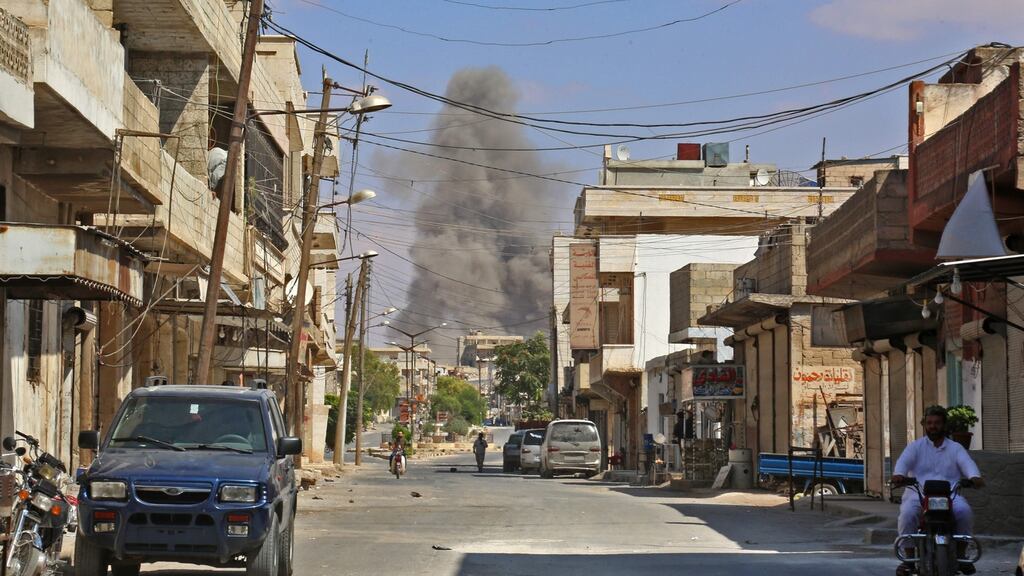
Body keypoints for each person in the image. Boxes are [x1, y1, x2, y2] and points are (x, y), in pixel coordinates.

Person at [892, 405, 984, 576]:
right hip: (918, 494)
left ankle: (961, 555)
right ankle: (908, 561)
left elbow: (967, 464)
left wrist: (974, 477)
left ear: (944, 425)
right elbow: (902, 463)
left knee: (964, 512)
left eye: (937, 423)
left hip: (950, 495)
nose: (933, 426)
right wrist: (898, 475)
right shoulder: (915, 447)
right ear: (924, 425)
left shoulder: (955, 448)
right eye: (929, 423)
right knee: (907, 515)